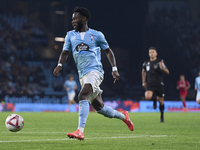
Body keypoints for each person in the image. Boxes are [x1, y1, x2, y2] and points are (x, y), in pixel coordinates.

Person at [53, 6, 134, 140]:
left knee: (82, 95)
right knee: (100, 108)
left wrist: (114, 68)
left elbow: (108, 51)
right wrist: (59, 65)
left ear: (83, 19)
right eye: (72, 19)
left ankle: (80, 130)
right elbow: (65, 52)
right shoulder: (70, 35)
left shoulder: (97, 35)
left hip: (95, 71)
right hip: (82, 75)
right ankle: (123, 116)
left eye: (75, 18)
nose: (73, 21)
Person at [142, 47, 169, 122]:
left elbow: (167, 72)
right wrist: (143, 81)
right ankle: (154, 100)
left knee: (161, 101)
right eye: (150, 52)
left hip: (159, 84)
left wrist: (162, 68)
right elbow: (143, 71)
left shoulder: (160, 62)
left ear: (156, 53)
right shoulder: (146, 63)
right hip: (150, 83)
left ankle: (162, 116)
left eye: (153, 52)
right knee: (147, 97)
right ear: (148, 54)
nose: (151, 53)